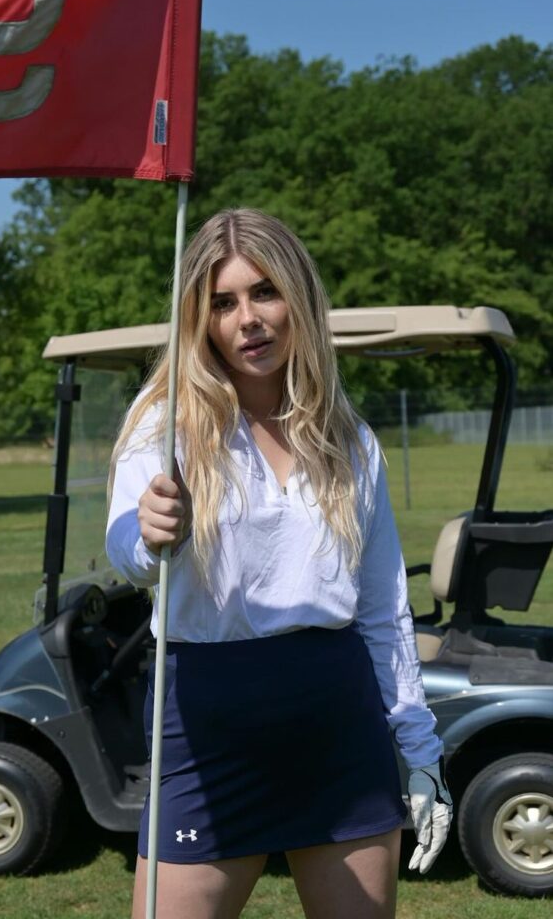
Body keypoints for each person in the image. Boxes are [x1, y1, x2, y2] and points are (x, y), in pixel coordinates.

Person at [105, 208, 453, 919]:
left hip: (335, 723)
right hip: (205, 727)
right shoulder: (163, 422)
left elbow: (382, 606)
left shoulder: (348, 440)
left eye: (264, 293)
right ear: (200, 318)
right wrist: (147, 533)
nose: (248, 320)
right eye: (223, 303)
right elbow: (129, 547)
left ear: (297, 298)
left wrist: (417, 747)